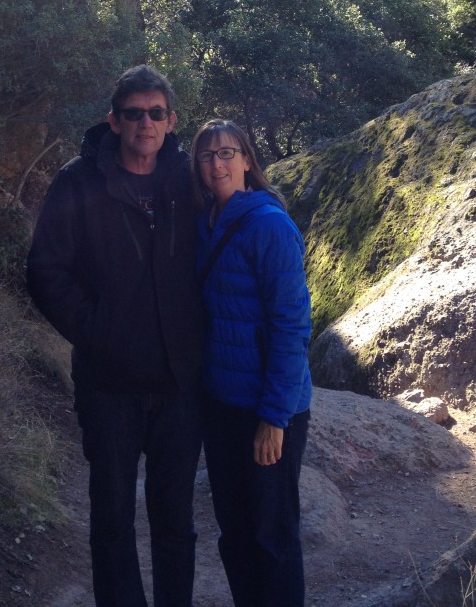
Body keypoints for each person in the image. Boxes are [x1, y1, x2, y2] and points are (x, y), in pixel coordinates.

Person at [26, 65, 204, 607]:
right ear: (114, 120)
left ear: (171, 122)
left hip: (180, 386)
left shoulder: (188, 180)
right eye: (133, 113)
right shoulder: (78, 180)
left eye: (155, 113)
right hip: (109, 385)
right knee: (112, 520)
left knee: (175, 519)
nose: (144, 123)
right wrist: (98, 331)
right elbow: (45, 272)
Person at [190, 118, 312, 607]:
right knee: (235, 532)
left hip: (268, 410)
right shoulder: (203, 224)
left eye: (227, 153)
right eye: (207, 155)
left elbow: (292, 326)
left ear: (246, 160)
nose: (217, 163)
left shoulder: (269, 225)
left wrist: (274, 418)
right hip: (221, 405)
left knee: (273, 536)